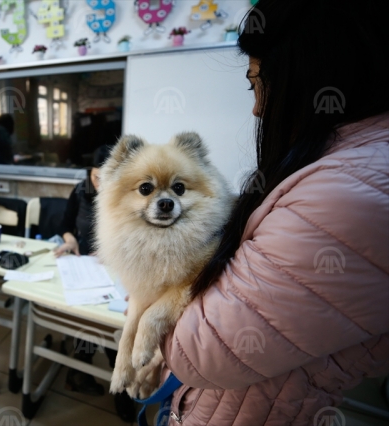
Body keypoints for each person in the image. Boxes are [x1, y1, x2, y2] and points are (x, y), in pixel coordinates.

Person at [159, 1, 389, 424]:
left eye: (257, 83)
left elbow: (200, 352)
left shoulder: (345, 196)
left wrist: (151, 283)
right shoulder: (344, 173)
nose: (257, 108)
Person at [54, 145, 136, 422]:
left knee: (114, 331)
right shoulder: (80, 191)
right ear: (90, 172)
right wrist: (70, 239)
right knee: (83, 320)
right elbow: (65, 224)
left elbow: (139, 236)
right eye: (97, 177)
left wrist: (115, 251)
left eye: (109, 179)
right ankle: (79, 371)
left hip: (116, 271)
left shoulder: (127, 195)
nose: (101, 184)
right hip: (84, 267)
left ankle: (121, 390)